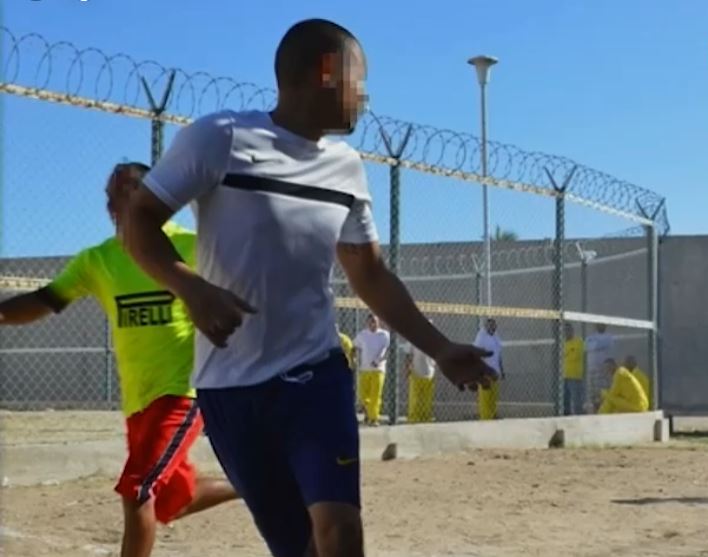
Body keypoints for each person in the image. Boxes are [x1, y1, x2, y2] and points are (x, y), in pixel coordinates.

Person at [118, 19, 495, 557]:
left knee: (340, 530)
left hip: (316, 377)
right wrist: (191, 288)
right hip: (231, 390)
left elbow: (370, 274)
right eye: (360, 81)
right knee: (298, 546)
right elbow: (139, 221)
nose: (365, 97)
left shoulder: (347, 168)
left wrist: (439, 347)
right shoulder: (221, 138)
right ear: (327, 72)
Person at [0, 162, 238, 557]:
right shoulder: (98, 261)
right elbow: (45, 299)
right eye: (112, 195)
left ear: (154, 197)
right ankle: (261, 484)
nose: (116, 201)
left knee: (138, 489)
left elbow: (248, 292)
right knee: (170, 501)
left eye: (129, 189)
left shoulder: (194, 248)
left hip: (184, 392)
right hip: (137, 400)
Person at [354, 314, 390, 426]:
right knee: (363, 395)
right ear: (367, 323)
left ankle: (374, 418)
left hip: (378, 369)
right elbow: (355, 346)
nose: (372, 324)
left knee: (375, 395)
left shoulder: (384, 335)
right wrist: (354, 357)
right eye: (370, 321)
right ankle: (368, 414)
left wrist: (378, 361)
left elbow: (386, 350)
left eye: (374, 321)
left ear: (378, 323)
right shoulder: (362, 335)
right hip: (364, 369)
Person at [405, 319, 437, 423]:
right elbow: (408, 354)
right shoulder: (414, 337)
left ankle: (425, 417)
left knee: (427, 399)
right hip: (416, 372)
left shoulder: (434, 339)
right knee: (415, 398)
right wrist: (408, 367)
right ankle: (413, 418)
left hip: (429, 372)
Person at [473, 318, 504, 420]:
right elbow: (476, 355)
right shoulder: (481, 338)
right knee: (485, 397)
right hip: (485, 374)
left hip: (495, 373)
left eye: (494, 326)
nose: (493, 327)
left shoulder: (496, 337)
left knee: (493, 397)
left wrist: (502, 370)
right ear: (486, 326)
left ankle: (492, 416)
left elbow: (499, 355)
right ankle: (485, 418)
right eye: (490, 325)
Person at [584, 323, 615, 412]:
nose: (600, 326)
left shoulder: (609, 337)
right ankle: (595, 410)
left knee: (604, 392)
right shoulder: (590, 337)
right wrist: (600, 345)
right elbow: (587, 347)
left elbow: (594, 346)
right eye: (598, 324)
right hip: (592, 370)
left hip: (604, 371)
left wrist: (595, 345)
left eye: (602, 324)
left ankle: (604, 410)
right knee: (593, 394)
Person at [562, 322, 585, 415]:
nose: (566, 332)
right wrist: (568, 354)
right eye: (565, 331)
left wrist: (566, 355)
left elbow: (575, 356)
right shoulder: (563, 344)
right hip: (564, 376)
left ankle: (579, 416)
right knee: (565, 400)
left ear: (572, 331)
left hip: (575, 376)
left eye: (568, 330)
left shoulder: (578, 341)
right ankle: (566, 416)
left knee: (577, 400)